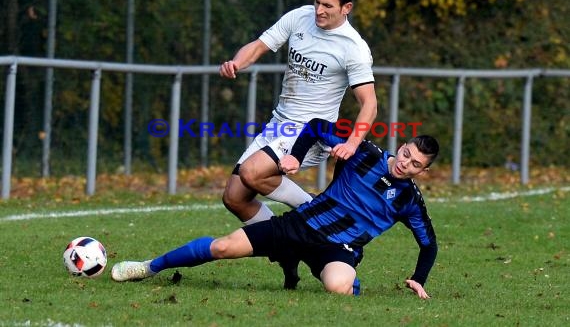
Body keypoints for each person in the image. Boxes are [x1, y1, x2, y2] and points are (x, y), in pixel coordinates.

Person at [111, 119, 439, 298]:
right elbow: (314, 126)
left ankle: (350, 277)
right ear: (403, 145)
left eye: (415, 164)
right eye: (407, 154)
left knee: (338, 287)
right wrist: (295, 155)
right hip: (299, 225)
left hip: (338, 247)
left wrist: (419, 278)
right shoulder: (364, 152)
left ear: (423, 172)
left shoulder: (410, 201)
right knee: (223, 247)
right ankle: (148, 267)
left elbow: (429, 243)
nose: (406, 164)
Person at [218, 0, 377, 225]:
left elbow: (369, 104)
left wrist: (352, 143)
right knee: (234, 198)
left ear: (346, 7)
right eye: (317, 1)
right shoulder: (299, 17)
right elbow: (260, 45)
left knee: (252, 172)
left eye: (327, 5)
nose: (319, 10)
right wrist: (236, 63)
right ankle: (281, 246)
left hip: (311, 133)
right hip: (279, 125)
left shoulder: (353, 48)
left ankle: (317, 210)